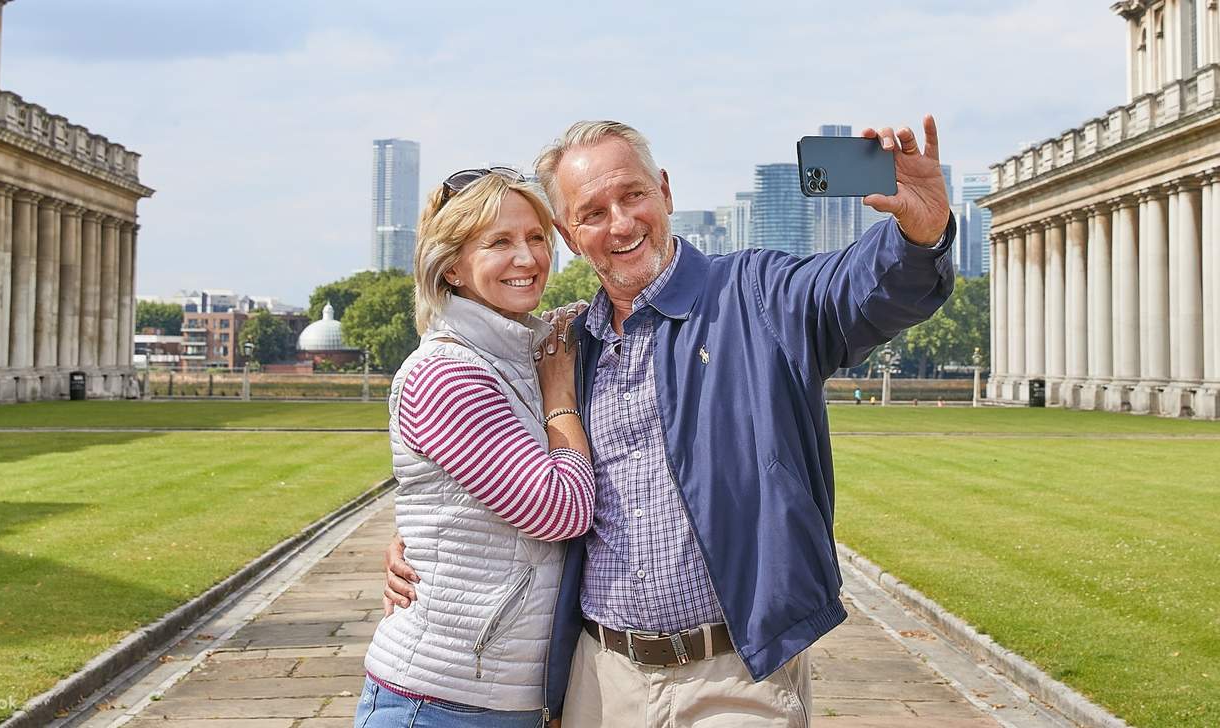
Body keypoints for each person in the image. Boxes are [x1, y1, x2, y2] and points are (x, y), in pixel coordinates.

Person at [386, 118, 955, 727]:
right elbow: (483, 463)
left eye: (633, 195)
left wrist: (918, 237)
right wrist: (417, 546)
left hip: (735, 678)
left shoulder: (755, 296)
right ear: (570, 236)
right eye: (593, 212)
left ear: (665, 191)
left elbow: (854, 291)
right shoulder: (565, 346)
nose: (622, 223)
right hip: (600, 681)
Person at [356, 168, 596, 728]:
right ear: (452, 269)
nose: (528, 258)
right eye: (499, 242)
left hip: (502, 694)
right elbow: (562, 509)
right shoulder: (447, 373)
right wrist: (560, 397)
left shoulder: (522, 351)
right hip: (442, 700)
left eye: (536, 237)